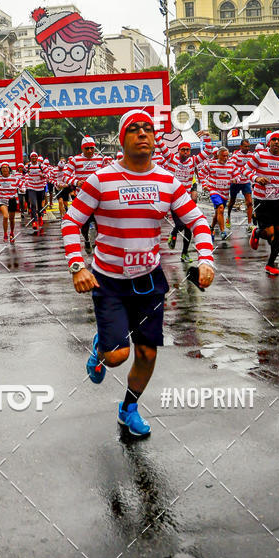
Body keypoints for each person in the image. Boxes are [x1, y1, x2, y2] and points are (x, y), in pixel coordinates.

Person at [61, 109, 215, 437]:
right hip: (109, 281)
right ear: (122, 139)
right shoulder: (100, 180)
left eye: (148, 128)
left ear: (155, 138)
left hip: (149, 281)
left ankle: (128, 408)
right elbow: (71, 221)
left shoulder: (167, 181)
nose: (143, 133)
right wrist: (77, 265)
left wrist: (206, 259)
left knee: (146, 352)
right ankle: (101, 345)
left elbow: (198, 221)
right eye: (134, 129)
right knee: (117, 356)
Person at [246, 131, 279, 276]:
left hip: (278, 200)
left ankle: (270, 263)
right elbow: (245, 170)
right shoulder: (260, 155)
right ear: (269, 142)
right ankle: (258, 232)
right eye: (274, 139)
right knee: (269, 233)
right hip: (262, 200)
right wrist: (256, 178)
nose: (277, 142)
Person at [154, 133, 203, 261]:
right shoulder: (171, 159)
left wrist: (207, 136)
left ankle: (184, 253)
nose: (186, 152)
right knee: (181, 224)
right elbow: (162, 146)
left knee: (188, 227)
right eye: (183, 150)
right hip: (173, 199)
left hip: (186, 200)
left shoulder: (193, 161)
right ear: (178, 150)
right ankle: (174, 233)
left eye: (188, 150)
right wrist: (155, 134)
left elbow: (208, 151)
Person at [65, 136, 105, 254]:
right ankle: (87, 240)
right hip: (82, 198)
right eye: (86, 148)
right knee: (85, 225)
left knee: (99, 222)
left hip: (98, 197)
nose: (89, 151)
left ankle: (97, 244)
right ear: (82, 149)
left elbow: (105, 174)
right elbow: (65, 176)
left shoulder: (100, 159)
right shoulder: (75, 160)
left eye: (92, 148)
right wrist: (77, 182)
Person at [199, 146, 239, 241]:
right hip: (214, 190)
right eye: (223, 156)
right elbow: (201, 174)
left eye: (227, 156)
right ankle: (223, 231)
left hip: (225, 192)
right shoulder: (211, 164)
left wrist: (235, 180)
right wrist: (205, 185)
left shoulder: (231, 165)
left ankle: (211, 227)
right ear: (218, 155)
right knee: (220, 209)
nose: (225, 158)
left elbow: (238, 176)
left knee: (218, 212)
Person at [227, 138, 254, 230]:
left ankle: (249, 224)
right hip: (236, 181)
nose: (247, 148)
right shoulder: (236, 155)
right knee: (232, 201)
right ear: (241, 146)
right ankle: (228, 216)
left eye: (248, 146)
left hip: (246, 182)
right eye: (245, 146)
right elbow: (232, 166)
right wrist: (235, 177)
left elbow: (255, 166)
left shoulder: (251, 155)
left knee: (249, 202)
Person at [0, 162, 19, 242]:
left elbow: (21, 185)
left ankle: (11, 232)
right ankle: (5, 234)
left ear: (9, 169)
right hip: (3, 199)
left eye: (6, 167)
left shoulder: (14, 178)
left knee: (11, 218)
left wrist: (22, 189)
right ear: (1, 170)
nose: (5, 169)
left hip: (12, 199)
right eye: (3, 168)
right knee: (5, 216)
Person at [25, 151, 47, 232]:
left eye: (35, 156)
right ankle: (34, 221)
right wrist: (26, 182)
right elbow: (24, 174)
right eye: (32, 157)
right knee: (33, 204)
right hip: (31, 187)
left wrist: (43, 175)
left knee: (39, 204)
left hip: (40, 187)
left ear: (37, 158)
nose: (34, 158)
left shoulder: (42, 166)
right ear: (30, 158)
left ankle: (40, 216)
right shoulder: (27, 166)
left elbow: (48, 174)